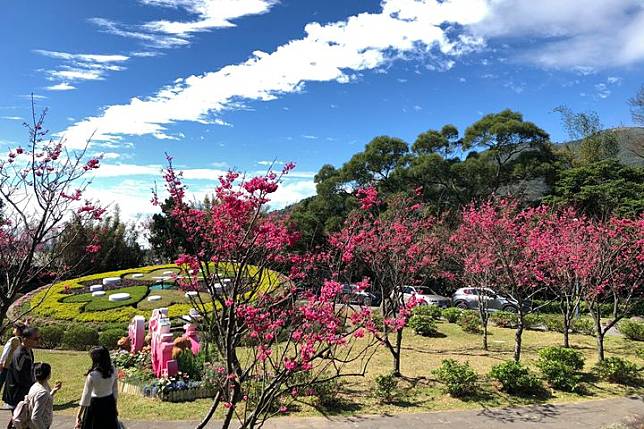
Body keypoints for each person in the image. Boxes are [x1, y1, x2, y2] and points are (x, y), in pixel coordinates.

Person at [75, 346, 118, 429]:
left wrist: (78, 416)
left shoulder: (92, 375)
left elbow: (85, 397)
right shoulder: (113, 370)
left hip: (95, 405)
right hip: (109, 402)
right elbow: (115, 390)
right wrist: (115, 406)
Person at [3, 327, 39, 408]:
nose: (38, 341)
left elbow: (28, 367)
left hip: (22, 392)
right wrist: (33, 385)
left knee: (19, 419)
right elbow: (20, 376)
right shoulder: (20, 354)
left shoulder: (28, 351)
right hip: (17, 392)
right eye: (36, 338)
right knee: (18, 418)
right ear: (25, 339)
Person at [25, 362, 62, 429]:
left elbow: (42, 399)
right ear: (48, 375)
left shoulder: (35, 386)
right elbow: (35, 417)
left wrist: (53, 391)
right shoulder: (43, 392)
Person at [0, 322, 26, 407]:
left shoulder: (13, 340)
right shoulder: (22, 341)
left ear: (18, 331)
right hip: (14, 367)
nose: (13, 330)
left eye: (15, 328)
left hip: (6, 365)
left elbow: (6, 352)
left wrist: (1, 362)